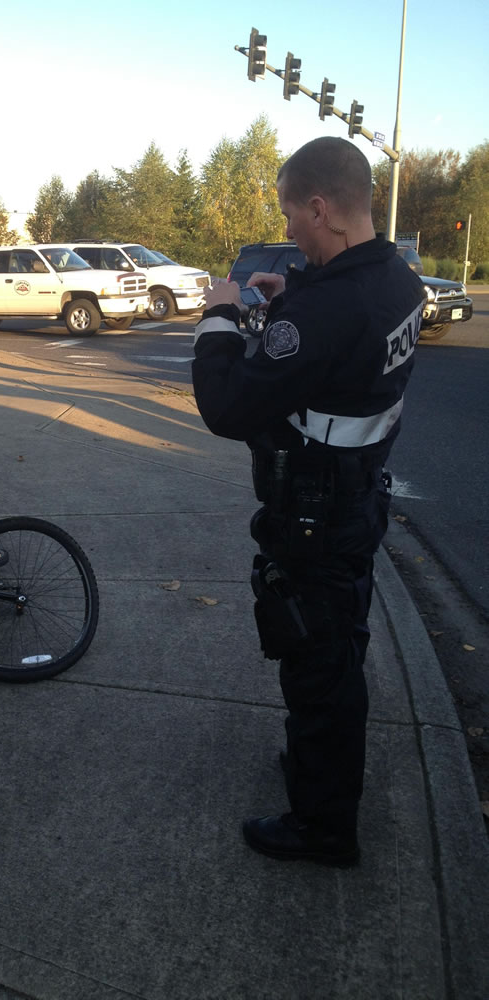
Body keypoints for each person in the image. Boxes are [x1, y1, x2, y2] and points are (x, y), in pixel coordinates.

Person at [192, 136, 425, 866]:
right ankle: (322, 772)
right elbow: (342, 342)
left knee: (317, 663)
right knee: (340, 646)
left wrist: (220, 316)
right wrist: (291, 301)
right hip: (359, 500)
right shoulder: (399, 281)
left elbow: (227, 407)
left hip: (316, 515)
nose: (288, 228)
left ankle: (323, 826)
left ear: (320, 207)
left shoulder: (325, 311)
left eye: (292, 213)